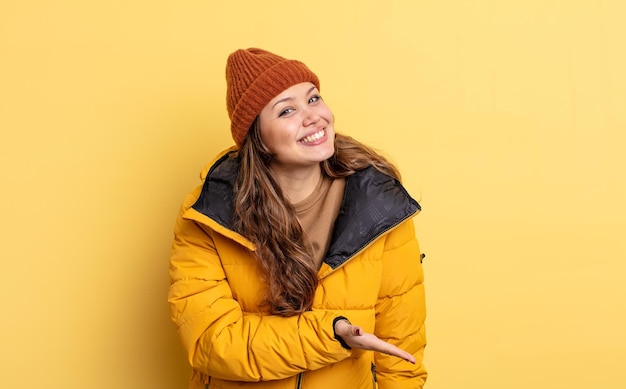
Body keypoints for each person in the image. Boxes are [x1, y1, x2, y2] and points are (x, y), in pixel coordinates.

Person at [168, 48, 427, 389]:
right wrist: (333, 334)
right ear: (256, 138)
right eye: (287, 110)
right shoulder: (208, 216)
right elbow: (213, 343)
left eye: (314, 98)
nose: (313, 117)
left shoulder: (378, 203)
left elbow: (401, 350)